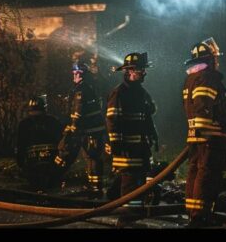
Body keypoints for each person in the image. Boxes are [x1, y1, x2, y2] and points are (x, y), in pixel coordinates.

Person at [182, 38, 226, 227]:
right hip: (209, 136)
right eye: (215, 57)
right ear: (210, 59)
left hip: (199, 135)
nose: (217, 61)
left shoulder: (192, 78)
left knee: (196, 171)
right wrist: (210, 131)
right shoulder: (207, 78)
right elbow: (202, 105)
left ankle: (194, 212)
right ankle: (200, 217)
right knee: (206, 174)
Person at [105, 52, 159, 208]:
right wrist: (116, 146)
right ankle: (126, 220)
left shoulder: (141, 92)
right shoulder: (119, 93)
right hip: (127, 151)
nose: (144, 73)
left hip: (140, 150)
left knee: (137, 182)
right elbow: (113, 121)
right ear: (129, 71)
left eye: (144, 69)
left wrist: (153, 135)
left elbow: (147, 116)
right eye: (140, 70)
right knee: (130, 186)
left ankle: (115, 198)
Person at [55, 56, 108, 196]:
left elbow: (78, 114)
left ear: (82, 73)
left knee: (92, 158)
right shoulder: (87, 87)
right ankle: (94, 187)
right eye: (73, 72)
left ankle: (95, 188)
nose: (74, 75)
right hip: (90, 131)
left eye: (77, 72)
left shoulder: (82, 90)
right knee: (91, 158)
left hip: (91, 132)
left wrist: (71, 131)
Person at [16, 94, 63, 191]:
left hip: (33, 164)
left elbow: (20, 145)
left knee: (35, 189)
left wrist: (20, 163)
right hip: (51, 163)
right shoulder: (54, 121)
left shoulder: (24, 124)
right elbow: (62, 143)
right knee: (52, 189)